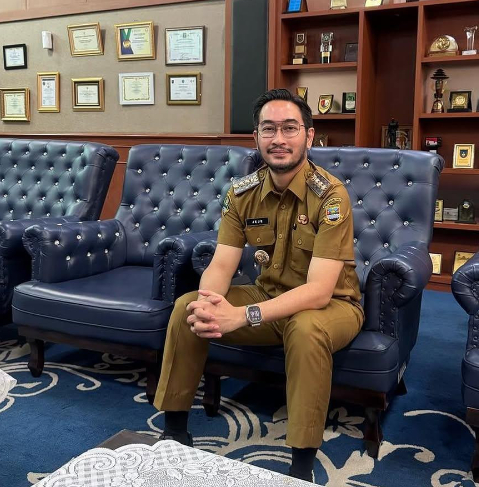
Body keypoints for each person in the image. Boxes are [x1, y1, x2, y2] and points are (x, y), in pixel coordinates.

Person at [153, 89, 363, 483]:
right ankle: (175, 431)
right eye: (269, 129)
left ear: (310, 136)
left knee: (305, 327)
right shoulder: (242, 192)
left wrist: (241, 316)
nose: (279, 139)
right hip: (269, 297)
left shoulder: (331, 196)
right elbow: (222, 262)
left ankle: (301, 462)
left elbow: (318, 291)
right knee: (187, 308)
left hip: (332, 306)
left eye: (289, 128)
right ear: (256, 138)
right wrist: (211, 303)